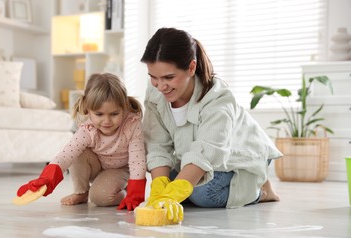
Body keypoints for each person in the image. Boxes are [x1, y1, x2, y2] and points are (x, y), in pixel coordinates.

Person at [140, 27, 282, 222]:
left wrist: (173, 195)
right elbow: (157, 143)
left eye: (168, 77)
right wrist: (160, 188)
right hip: (196, 155)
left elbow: (206, 151)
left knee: (203, 194)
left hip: (238, 154)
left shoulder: (218, 100)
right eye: (153, 77)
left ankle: (260, 190)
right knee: (172, 182)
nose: (160, 86)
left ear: (191, 67)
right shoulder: (156, 92)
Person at [15, 73, 147, 211]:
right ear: (87, 109)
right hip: (96, 166)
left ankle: (122, 190)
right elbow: (66, 155)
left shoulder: (131, 124)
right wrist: (46, 179)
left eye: (114, 114)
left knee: (99, 198)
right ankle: (82, 192)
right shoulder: (88, 129)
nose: (107, 121)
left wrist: (134, 194)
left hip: (120, 169)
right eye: (99, 114)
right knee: (76, 152)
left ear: (124, 107)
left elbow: (137, 161)